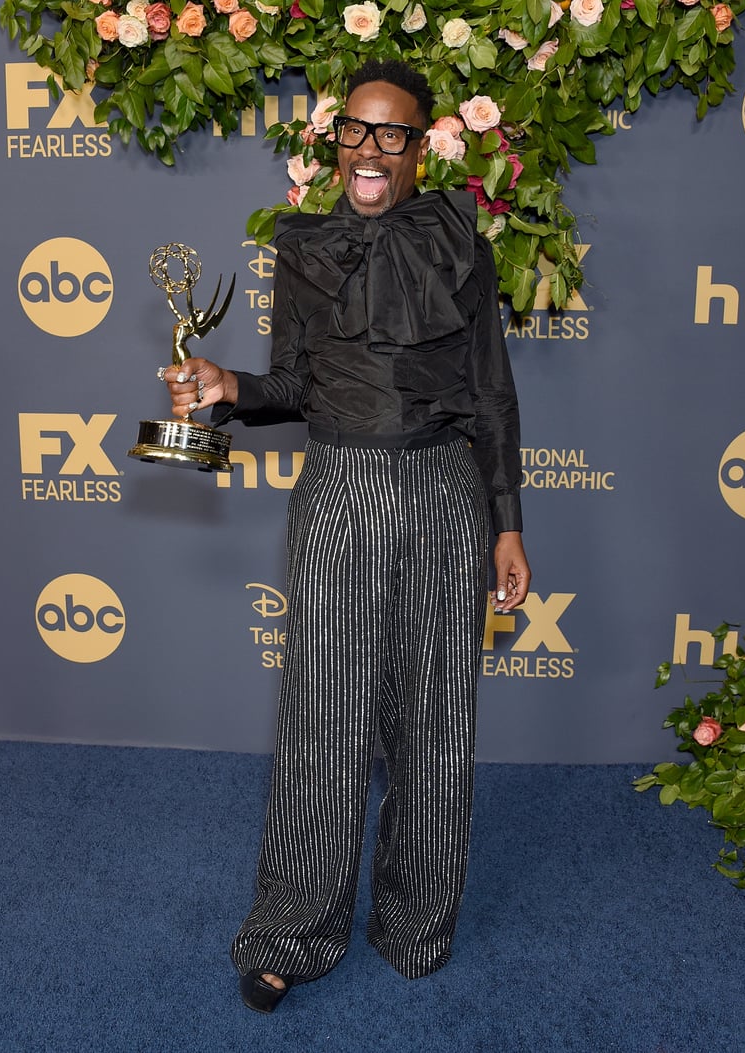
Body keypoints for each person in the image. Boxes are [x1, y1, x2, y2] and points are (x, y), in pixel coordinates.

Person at [163, 59, 530, 1014]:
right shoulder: (307, 247)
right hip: (339, 488)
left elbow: (491, 392)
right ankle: (294, 927)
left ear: (422, 146)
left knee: (437, 715)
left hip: (444, 491)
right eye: (355, 133)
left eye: (392, 134)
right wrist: (229, 388)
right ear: (337, 144)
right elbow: (294, 385)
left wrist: (508, 524)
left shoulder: (461, 243)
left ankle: (416, 919)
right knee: (322, 712)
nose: (370, 151)